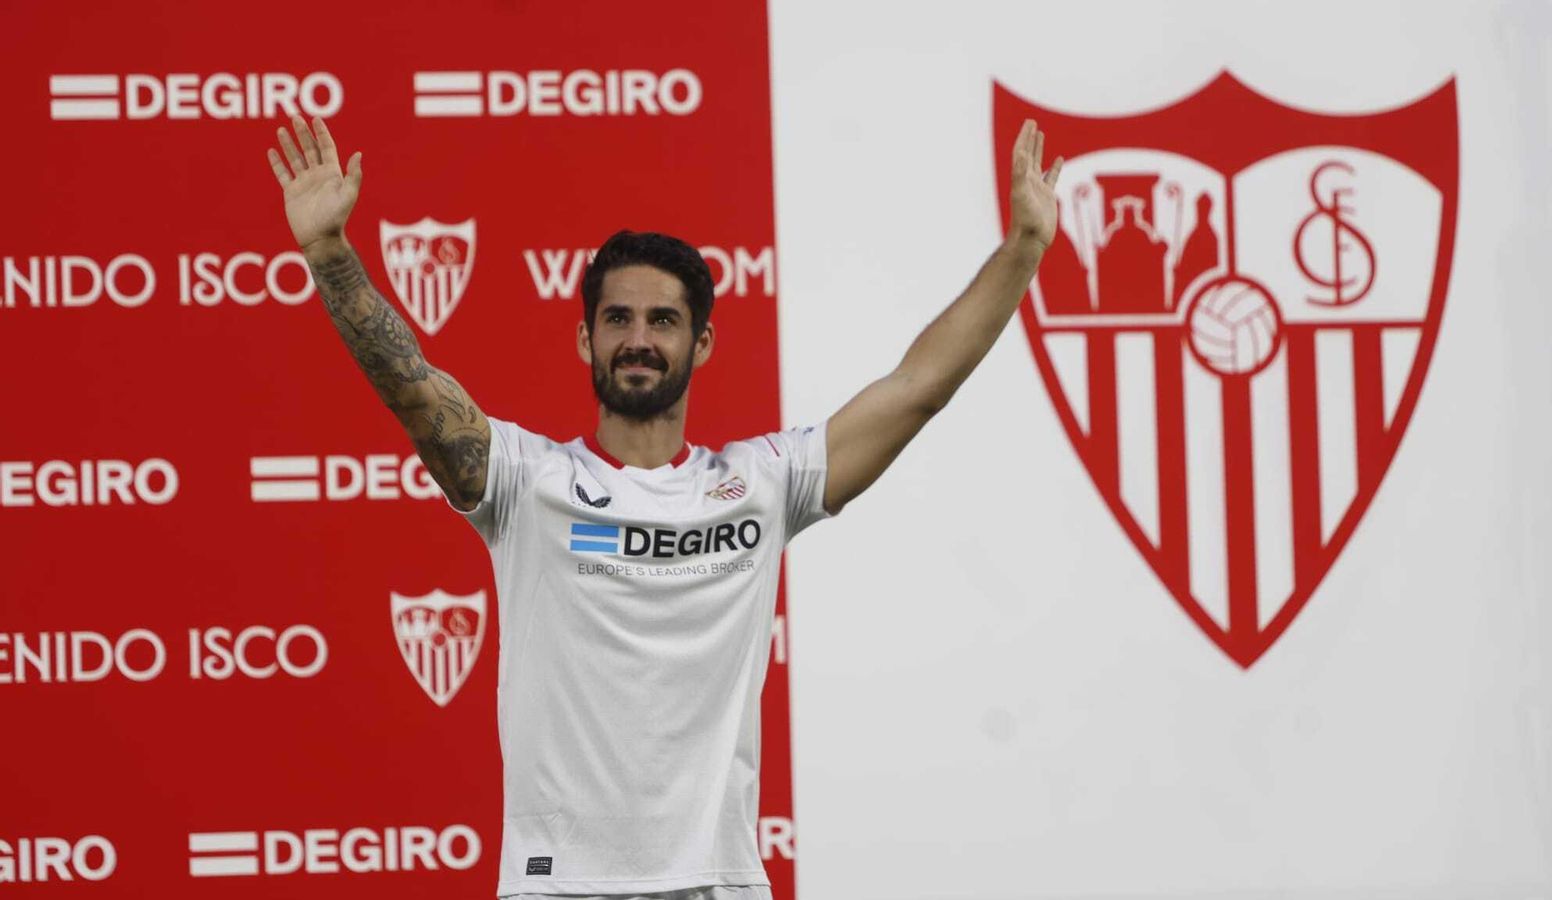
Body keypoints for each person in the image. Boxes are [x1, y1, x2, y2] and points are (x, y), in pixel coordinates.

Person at [265, 114, 1064, 900]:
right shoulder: (522, 483)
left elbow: (918, 388)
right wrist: (331, 255)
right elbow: (411, 389)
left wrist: (1024, 246)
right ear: (585, 340)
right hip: (561, 887)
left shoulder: (761, 484)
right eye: (617, 319)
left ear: (702, 343)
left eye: (663, 321)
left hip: (717, 880)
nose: (638, 339)